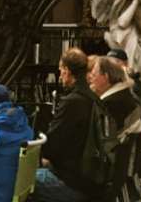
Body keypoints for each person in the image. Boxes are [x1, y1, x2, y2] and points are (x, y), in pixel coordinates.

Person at [31, 48, 101, 202]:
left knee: (20, 181)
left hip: (71, 181)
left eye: (61, 70)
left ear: (67, 71)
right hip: (89, 179)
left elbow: (51, 145)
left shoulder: (72, 102)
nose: (60, 75)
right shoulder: (94, 98)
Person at [89, 55, 141, 139]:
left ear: (106, 77)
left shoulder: (110, 104)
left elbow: (105, 140)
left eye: (94, 75)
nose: (90, 79)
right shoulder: (124, 95)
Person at [106, 48, 141, 115]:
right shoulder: (103, 81)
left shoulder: (134, 82)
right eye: (108, 63)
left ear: (125, 64)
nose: (112, 66)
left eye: (116, 62)